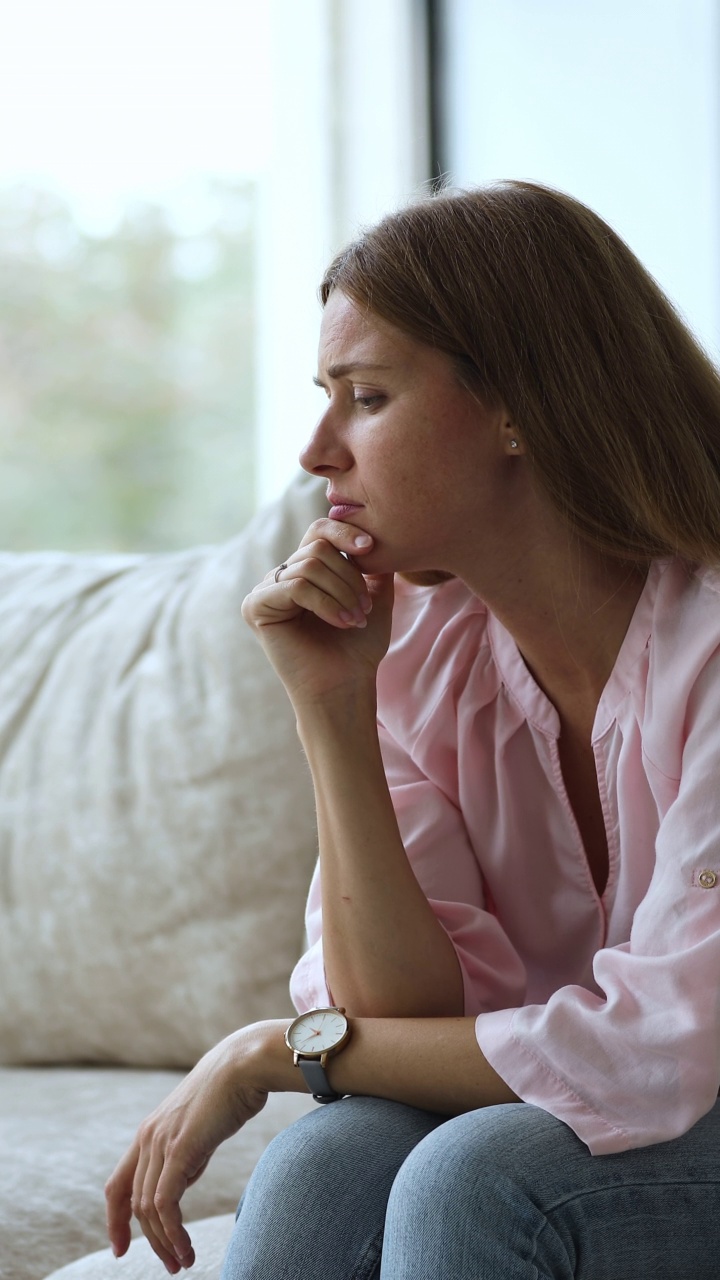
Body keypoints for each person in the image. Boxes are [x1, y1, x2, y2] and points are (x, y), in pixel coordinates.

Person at [105, 181, 720, 1279]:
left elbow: (655, 1050)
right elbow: (405, 1020)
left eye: (366, 396)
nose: (316, 451)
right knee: (329, 1162)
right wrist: (333, 708)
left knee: (479, 1171)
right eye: (323, 396)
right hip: (631, 1109)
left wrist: (271, 1052)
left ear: (521, 407)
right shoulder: (429, 656)